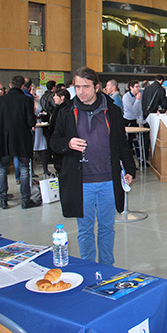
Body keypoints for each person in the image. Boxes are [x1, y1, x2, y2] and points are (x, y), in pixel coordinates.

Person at [50, 67, 136, 266]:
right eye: (77, 86)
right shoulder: (65, 111)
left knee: (107, 228)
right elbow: (54, 142)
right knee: (85, 230)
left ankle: (106, 268)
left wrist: (130, 169)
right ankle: (88, 269)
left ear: (97, 87)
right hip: (81, 182)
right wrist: (68, 143)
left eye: (86, 87)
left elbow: (121, 142)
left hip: (108, 180)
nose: (81, 91)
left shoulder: (112, 111)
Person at [0, 76, 39, 210]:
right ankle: (25, 199)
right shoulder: (26, 100)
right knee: (24, 169)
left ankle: (3, 199)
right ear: (23, 86)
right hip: (21, 138)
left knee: (2, 169)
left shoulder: (1, 100)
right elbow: (31, 121)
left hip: (3, 139)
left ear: (10, 85)